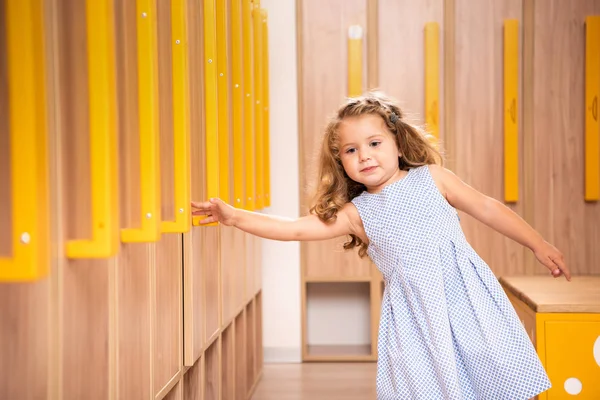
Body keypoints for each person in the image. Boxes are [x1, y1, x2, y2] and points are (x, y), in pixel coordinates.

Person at [191, 92, 570, 399]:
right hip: (415, 316)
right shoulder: (358, 213)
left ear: (397, 143)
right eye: (351, 150)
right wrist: (235, 216)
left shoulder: (433, 179)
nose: (364, 155)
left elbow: (488, 208)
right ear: (340, 162)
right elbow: (295, 229)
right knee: (430, 386)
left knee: (491, 372)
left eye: (374, 143)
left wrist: (537, 243)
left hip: (465, 298)